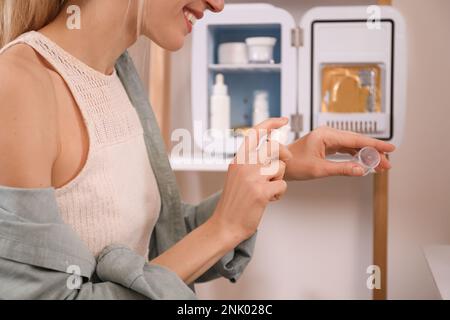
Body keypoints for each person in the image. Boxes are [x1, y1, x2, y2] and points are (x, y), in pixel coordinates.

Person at [0, 0, 395, 299]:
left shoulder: (118, 73)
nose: (218, 4)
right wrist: (226, 226)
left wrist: (274, 167)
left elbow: (157, 250)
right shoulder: (19, 83)